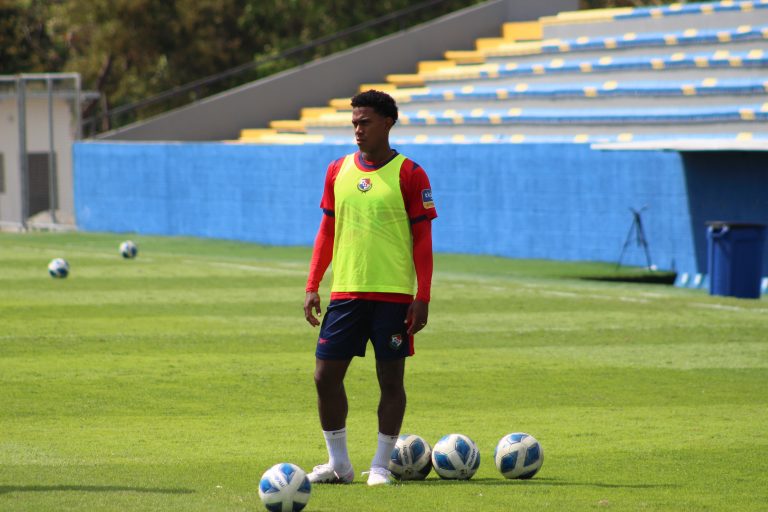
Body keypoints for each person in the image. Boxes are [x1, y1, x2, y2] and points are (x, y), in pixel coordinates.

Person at [303, 90, 437, 486]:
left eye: (365, 122)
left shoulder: (411, 173)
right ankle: (339, 464)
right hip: (346, 291)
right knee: (324, 376)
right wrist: (313, 283)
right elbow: (327, 230)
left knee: (391, 381)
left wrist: (422, 297)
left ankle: (380, 465)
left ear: (388, 123)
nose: (357, 130)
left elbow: (423, 242)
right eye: (354, 123)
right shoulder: (337, 170)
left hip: (393, 295)